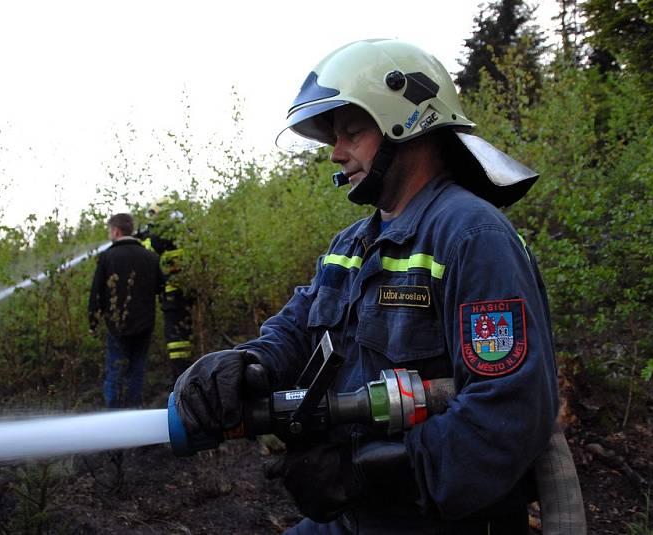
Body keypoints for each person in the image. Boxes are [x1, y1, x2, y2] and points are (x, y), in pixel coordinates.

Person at [174, 39, 559, 534]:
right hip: (358, 517)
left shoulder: (471, 237)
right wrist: (246, 364)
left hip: (433, 520)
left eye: (352, 132)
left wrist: (362, 475)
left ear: (408, 123)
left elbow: (509, 413)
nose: (336, 153)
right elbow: (296, 329)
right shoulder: (352, 244)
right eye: (334, 137)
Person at [89, 213, 164, 408]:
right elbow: (161, 288)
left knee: (115, 370)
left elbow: (96, 291)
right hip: (145, 325)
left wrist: (93, 321)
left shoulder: (107, 257)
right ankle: (133, 413)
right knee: (137, 371)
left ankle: (114, 414)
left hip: (117, 327)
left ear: (116, 231)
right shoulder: (151, 257)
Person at [136, 199, 196, 381]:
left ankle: (180, 375)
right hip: (188, 289)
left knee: (176, 338)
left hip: (173, 292)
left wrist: (141, 238)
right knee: (185, 333)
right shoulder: (185, 229)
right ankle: (188, 370)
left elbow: (148, 252)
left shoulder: (161, 234)